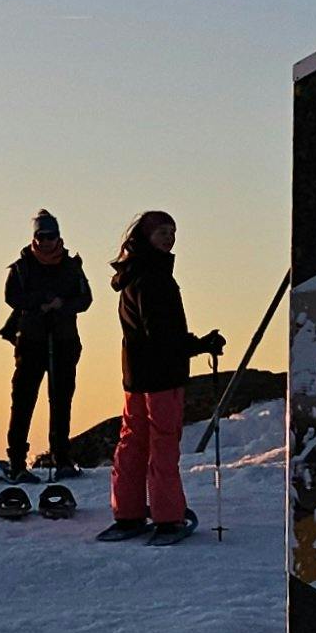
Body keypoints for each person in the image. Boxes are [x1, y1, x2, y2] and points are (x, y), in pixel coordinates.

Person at [103, 210, 222, 544]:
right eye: (162, 232)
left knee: (133, 441)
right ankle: (168, 517)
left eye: (172, 232)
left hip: (136, 374)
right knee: (163, 442)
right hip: (162, 375)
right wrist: (200, 345)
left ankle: (128, 513)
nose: (169, 238)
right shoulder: (154, 277)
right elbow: (162, 333)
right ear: (145, 236)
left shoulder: (132, 275)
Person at [0, 209, 92, 481]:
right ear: (35, 237)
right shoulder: (22, 266)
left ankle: (62, 457)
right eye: (42, 236)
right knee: (24, 400)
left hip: (64, 340)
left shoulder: (72, 266)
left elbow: (85, 299)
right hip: (31, 340)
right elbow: (12, 296)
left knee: (61, 400)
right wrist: (40, 302)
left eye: (51, 235)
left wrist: (62, 304)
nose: (47, 241)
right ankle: (17, 461)